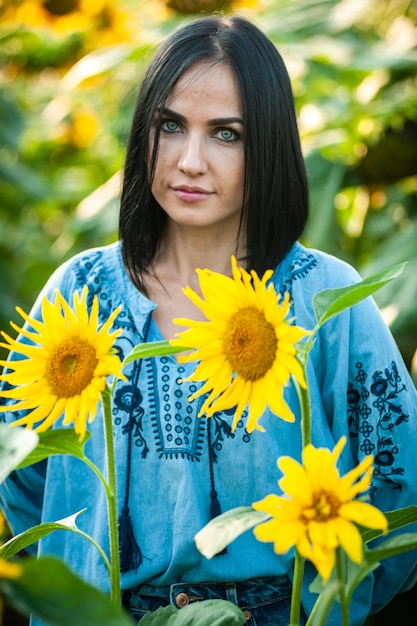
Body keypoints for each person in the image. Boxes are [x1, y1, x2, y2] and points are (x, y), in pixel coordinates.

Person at [1, 14, 417, 626]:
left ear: (269, 144)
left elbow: (398, 486)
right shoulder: (80, 292)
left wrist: (325, 609)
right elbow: (25, 480)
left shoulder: (326, 299)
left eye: (227, 135)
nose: (190, 161)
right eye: (171, 127)